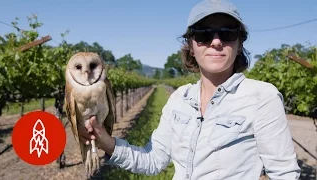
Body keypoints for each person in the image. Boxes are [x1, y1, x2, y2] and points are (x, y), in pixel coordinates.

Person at [79, 0, 301, 179]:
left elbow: (285, 174)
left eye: (227, 33)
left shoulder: (261, 97)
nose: (215, 42)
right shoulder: (180, 99)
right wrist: (106, 142)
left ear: (239, 43)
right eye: (204, 34)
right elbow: (154, 160)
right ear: (191, 46)